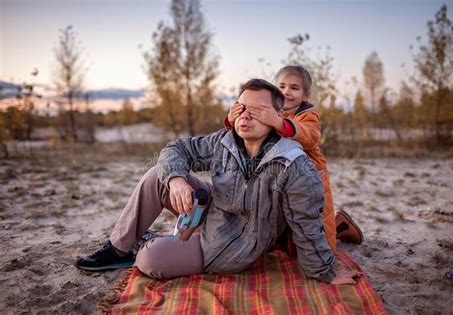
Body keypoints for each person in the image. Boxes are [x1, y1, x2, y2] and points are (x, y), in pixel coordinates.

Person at [76, 78, 360, 285]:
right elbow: (175, 149)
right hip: (218, 208)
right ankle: (118, 248)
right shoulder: (224, 140)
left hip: (236, 242)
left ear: (276, 117)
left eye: (258, 110)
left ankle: (151, 243)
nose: (246, 115)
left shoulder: (293, 164)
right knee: (158, 176)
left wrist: (326, 272)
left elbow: (307, 224)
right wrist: (177, 181)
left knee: (151, 260)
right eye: (241, 107)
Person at [225, 66, 363, 252]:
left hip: (310, 178)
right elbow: (246, 129)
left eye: (294, 88)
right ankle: (337, 227)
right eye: (281, 86)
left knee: (318, 232)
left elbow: (310, 136)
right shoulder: (268, 110)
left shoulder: (307, 114)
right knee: (285, 230)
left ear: (305, 95)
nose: (286, 92)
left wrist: (279, 122)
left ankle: (340, 226)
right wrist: (232, 120)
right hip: (280, 176)